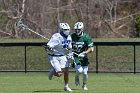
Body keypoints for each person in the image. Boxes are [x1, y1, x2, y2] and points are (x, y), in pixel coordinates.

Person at [46, 23, 73, 92]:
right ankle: (52, 72)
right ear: (61, 30)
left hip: (62, 55)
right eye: (65, 29)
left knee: (67, 71)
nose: (67, 31)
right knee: (59, 74)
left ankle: (66, 86)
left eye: (68, 29)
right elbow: (48, 46)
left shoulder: (69, 37)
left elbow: (69, 47)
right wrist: (49, 47)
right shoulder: (56, 37)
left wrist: (70, 54)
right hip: (54, 57)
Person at [71, 22, 94, 90]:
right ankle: (76, 77)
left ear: (82, 29)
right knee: (80, 70)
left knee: (85, 73)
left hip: (84, 57)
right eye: (76, 29)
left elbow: (91, 48)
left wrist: (84, 53)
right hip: (75, 56)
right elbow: (67, 45)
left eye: (78, 29)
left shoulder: (86, 37)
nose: (77, 31)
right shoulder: (72, 36)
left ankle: (84, 85)